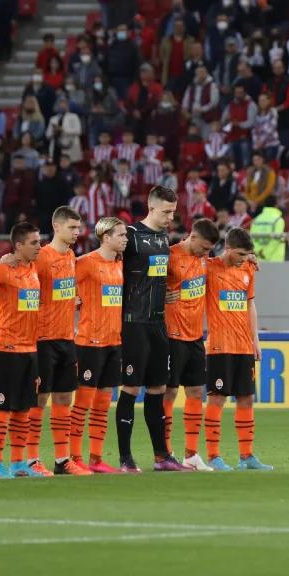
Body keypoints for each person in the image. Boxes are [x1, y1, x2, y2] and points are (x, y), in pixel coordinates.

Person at [118, 187, 185, 473]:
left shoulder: (163, 238)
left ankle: (162, 457)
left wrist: (164, 294)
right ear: (151, 207)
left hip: (159, 324)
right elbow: (105, 263)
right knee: (131, 388)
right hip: (134, 324)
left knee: (158, 388)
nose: (171, 217)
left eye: (173, 212)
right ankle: (125, 459)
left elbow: (154, 277)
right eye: (166, 211)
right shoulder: (130, 236)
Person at [23, 207, 89, 477]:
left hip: (66, 337)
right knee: (39, 400)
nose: (76, 233)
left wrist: (72, 301)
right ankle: (30, 460)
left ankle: (62, 460)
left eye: (78, 228)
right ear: (57, 226)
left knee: (64, 397)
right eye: (72, 228)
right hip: (43, 338)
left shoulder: (72, 256)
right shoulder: (41, 257)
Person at [201, 228, 272, 472]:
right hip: (219, 345)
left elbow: (250, 304)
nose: (244, 258)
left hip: (243, 345)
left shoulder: (248, 269)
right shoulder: (209, 268)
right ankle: (213, 457)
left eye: (248, 254)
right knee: (217, 398)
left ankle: (247, 456)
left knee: (247, 398)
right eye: (240, 253)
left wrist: (256, 340)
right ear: (228, 248)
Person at [69, 216, 128, 474]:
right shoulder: (85, 263)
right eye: (121, 235)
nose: (125, 239)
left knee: (103, 404)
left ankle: (95, 458)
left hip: (114, 342)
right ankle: (73, 457)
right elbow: (58, 283)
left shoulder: (119, 264)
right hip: (89, 342)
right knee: (82, 402)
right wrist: (74, 299)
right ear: (105, 238)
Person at [0, 223, 44, 479]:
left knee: (23, 410)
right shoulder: (2, 270)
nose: (39, 246)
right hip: (5, 349)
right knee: (2, 410)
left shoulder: (34, 271)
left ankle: (18, 463)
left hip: (29, 349)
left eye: (39, 242)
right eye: (33, 243)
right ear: (18, 246)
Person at [162, 219, 218, 471]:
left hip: (196, 336)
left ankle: (192, 455)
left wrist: (249, 259)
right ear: (192, 236)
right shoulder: (170, 256)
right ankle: (164, 452)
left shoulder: (205, 260)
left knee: (196, 393)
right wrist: (162, 295)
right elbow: (147, 284)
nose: (206, 253)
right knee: (170, 393)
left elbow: (228, 263)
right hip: (172, 336)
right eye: (204, 247)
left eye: (209, 250)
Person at [250, 198, 287, 262]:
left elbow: (252, 239)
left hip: (258, 259)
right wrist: (265, 254)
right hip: (275, 260)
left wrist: (258, 253)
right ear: (276, 205)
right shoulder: (278, 220)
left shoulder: (256, 220)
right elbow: (277, 239)